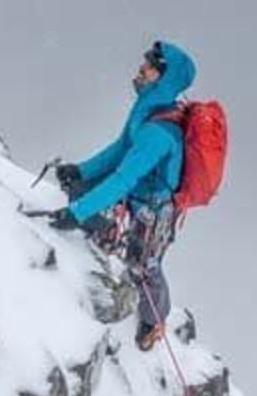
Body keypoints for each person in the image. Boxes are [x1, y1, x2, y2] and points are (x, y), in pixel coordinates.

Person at [49, 40, 196, 351]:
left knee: (144, 266)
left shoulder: (160, 132)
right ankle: (105, 240)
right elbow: (121, 149)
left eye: (148, 68)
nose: (140, 70)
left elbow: (124, 177)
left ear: (164, 78)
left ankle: (153, 320)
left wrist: (78, 212)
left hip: (155, 211)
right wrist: (82, 171)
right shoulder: (149, 109)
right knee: (118, 240)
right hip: (140, 199)